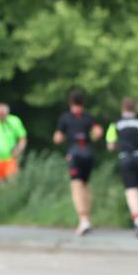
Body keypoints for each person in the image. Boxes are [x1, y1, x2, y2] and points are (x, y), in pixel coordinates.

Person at [55, 88, 104, 236]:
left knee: (76, 186)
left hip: (74, 155)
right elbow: (98, 131)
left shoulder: (65, 118)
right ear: (83, 102)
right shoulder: (88, 117)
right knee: (86, 186)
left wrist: (65, 137)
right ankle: (87, 219)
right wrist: (92, 137)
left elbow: (57, 138)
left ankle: (83, 220)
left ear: (70, 102)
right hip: (88, 153)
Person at [106, 96, 138, 237]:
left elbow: (110, 146)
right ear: (135, 108)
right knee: (137, 187)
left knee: (131, 189)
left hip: (125, 158)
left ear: (122, 108)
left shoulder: (115, 124)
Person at [0, 103, 27, 183]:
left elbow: (23, 139)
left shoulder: (14, 121)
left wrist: (19, 149)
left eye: (3, 114)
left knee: (12, 182)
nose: (1, 116)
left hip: (10, 159)